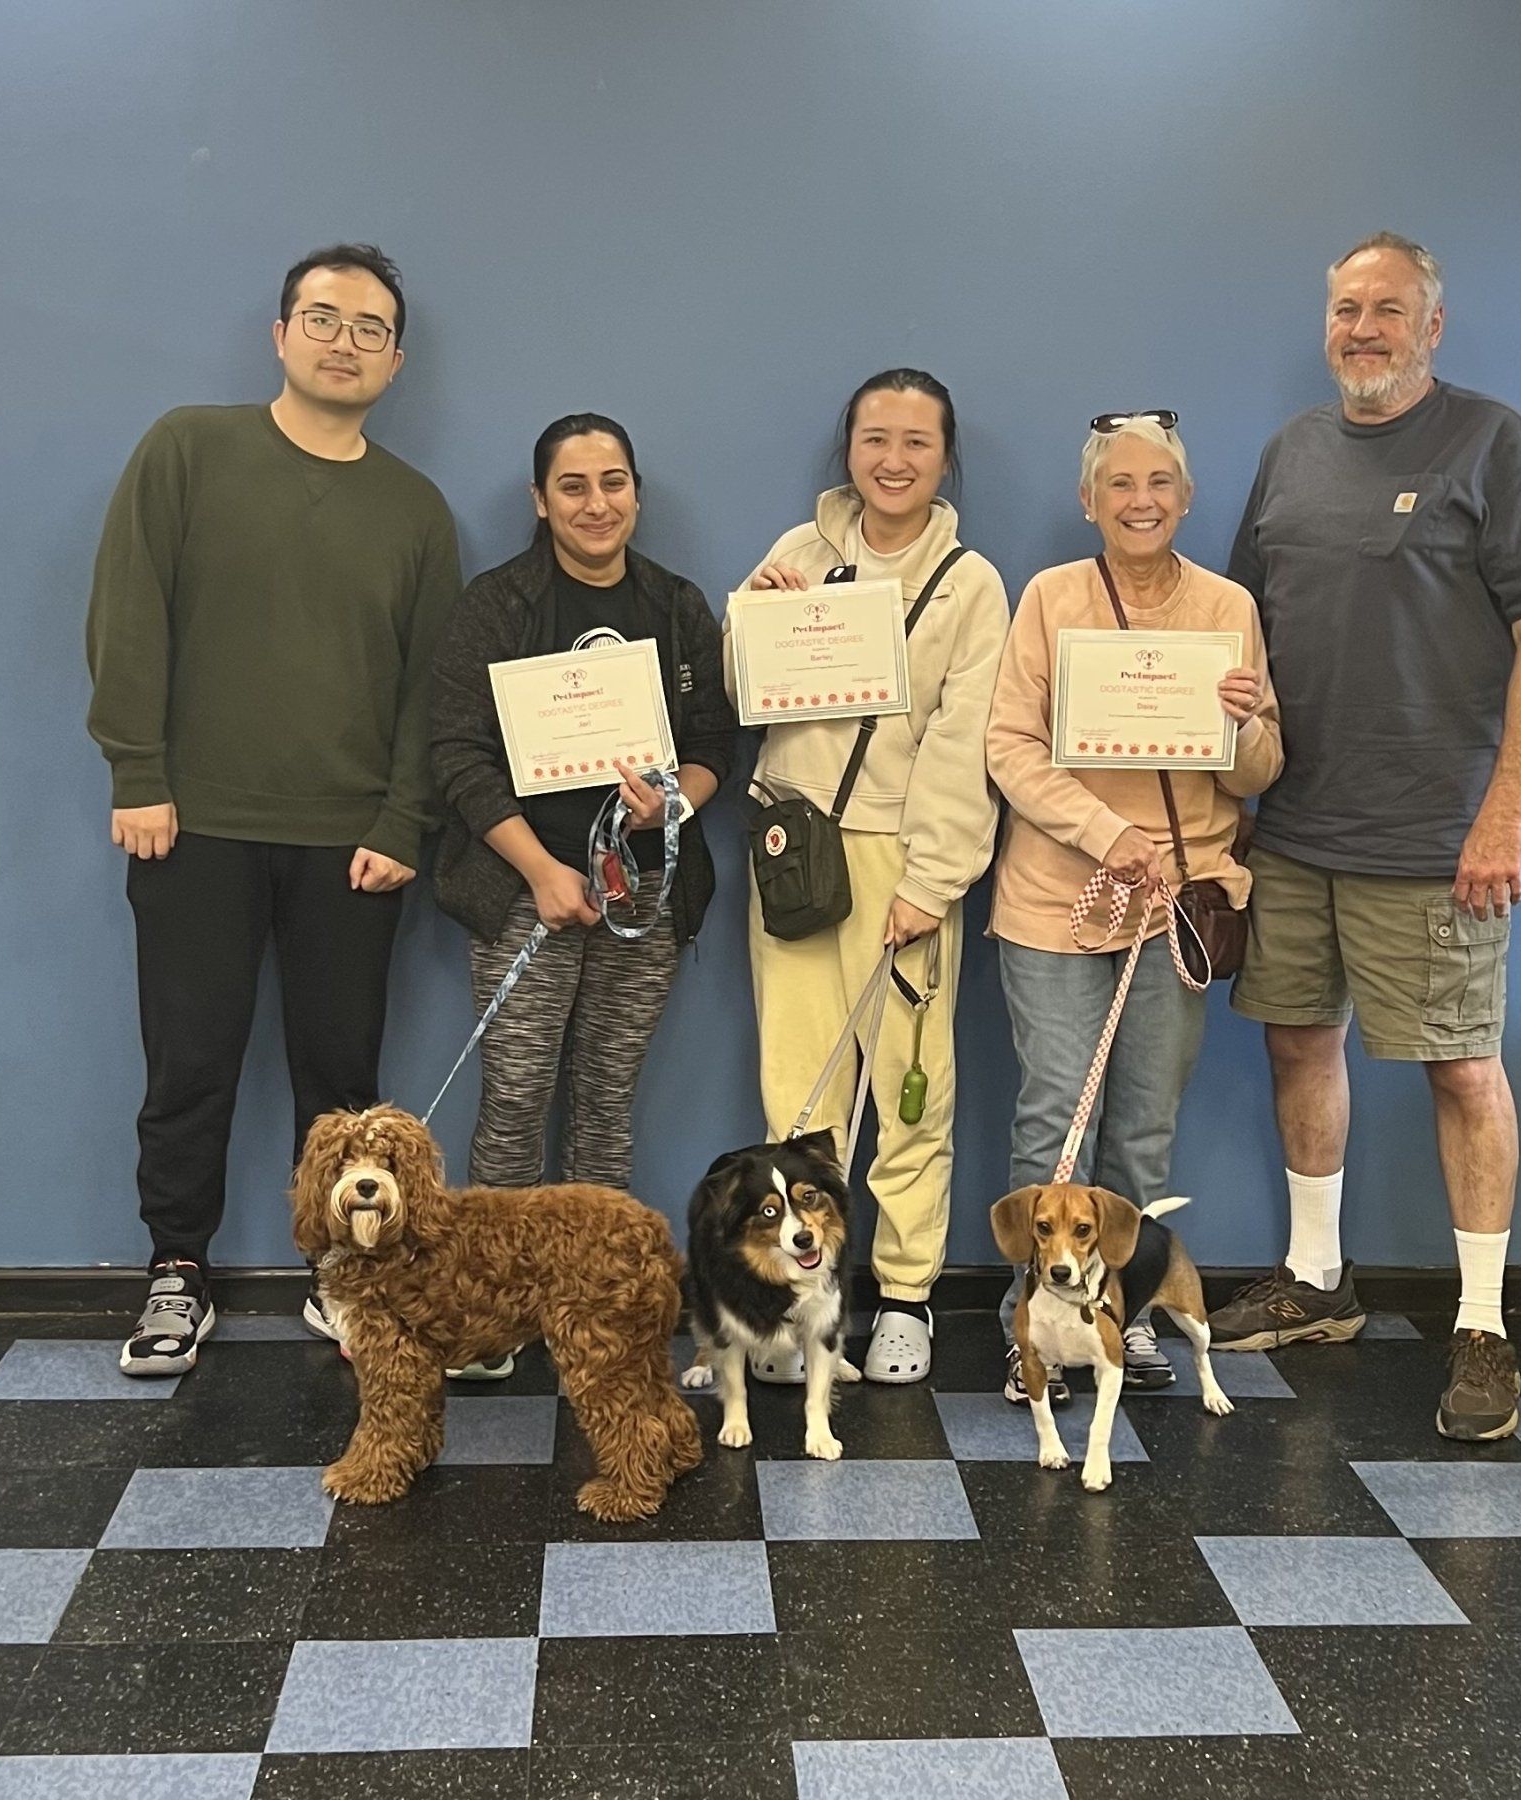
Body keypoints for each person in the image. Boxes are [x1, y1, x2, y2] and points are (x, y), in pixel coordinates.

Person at [1217, 232, 1521, 1441]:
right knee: (1294, 1045)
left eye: (1388, 309)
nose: (1362, 329)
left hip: (1438, 837)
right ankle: (1320, 1281)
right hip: (1292, 830)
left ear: (1433, 326)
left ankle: (1482, 1324)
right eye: (1344, 309)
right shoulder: (1290, 455)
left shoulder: (1497, 444)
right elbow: (1240, 631)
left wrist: (1507, 808)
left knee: (1462, 1068)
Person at [87, 243, 462, 1377]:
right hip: (189, 823)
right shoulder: (187, 450)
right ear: (281, 333)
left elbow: (431, 686)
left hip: (352, 843)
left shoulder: (414, 510)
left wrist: (407, 822)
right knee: (191, 1058)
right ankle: (176, 1270)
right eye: (325, 317)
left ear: (396, 361)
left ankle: (342, 1277)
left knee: (342, 1078)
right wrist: (136, 774)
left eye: (370, 328)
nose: (344, 341)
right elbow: (129, 612)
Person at [429, 414, 736, 1376]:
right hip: (530, 890)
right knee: (517, 1099)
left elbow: (716, 746)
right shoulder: (499, 604)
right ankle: (489, 1314)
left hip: (643, 896)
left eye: (613, 482)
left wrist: (669, 806)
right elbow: (457, 755)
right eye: (573, 486)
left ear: (636, 492)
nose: (596, 503)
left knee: (606, 1103)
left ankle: (593, 1303)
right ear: (540, 501)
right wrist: (541, 870)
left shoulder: (678, 606)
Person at [987, 413, 1282, 1401]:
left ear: (1187, 499)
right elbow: (1009, 746)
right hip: (1056, 895)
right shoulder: (1051, 598)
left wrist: (1244, 726)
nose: (1141, 499)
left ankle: (1120, 1312)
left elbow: (1262, 769)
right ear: (1089, 502)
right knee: (1055, 1123)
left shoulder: (1228, 605)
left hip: (1176, 903)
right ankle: (1031, 1332)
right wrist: (1099, 831)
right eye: (1120, 484)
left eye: (1160, 482)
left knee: (1145, 1127)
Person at [729, 369, 1009, 1383]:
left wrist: (931, 880)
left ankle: (905, 1297)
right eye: (874, 439)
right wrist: (750, 623)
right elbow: (745, 698)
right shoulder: (797, 555)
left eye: (916, 443)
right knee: (799, 1093)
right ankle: (801, 1298)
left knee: (909, 1091)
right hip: (795, 851)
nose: (893, 460)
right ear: (848, 448)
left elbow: (962, 743)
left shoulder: (971, 584)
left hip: (906, 858)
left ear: (944, 458)